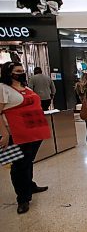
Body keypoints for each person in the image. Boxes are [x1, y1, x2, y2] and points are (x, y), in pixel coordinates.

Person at [0, 62, 51, 214]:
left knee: (28, 160)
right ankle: (22, 198)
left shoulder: (26, 87)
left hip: (35, 131)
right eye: (17, 71)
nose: (21, 73)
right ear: (8, 73)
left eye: (22, 70)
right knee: (18, 165)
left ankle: (30, 185)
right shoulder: (3, 88)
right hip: (16, 133)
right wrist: (4, 133)